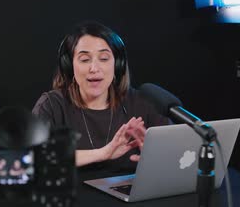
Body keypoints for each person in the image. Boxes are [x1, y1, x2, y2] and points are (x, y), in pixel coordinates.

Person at [32, 21, 168, 174]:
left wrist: (157, 156)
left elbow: (177, 150)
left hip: (130, 195)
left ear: (117, 65)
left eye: (104, 58)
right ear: (69, 66)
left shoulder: (140, 102)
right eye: (84, 59)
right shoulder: (51, 105)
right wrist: (104, 153)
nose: (94, 68)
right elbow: (35, 158)